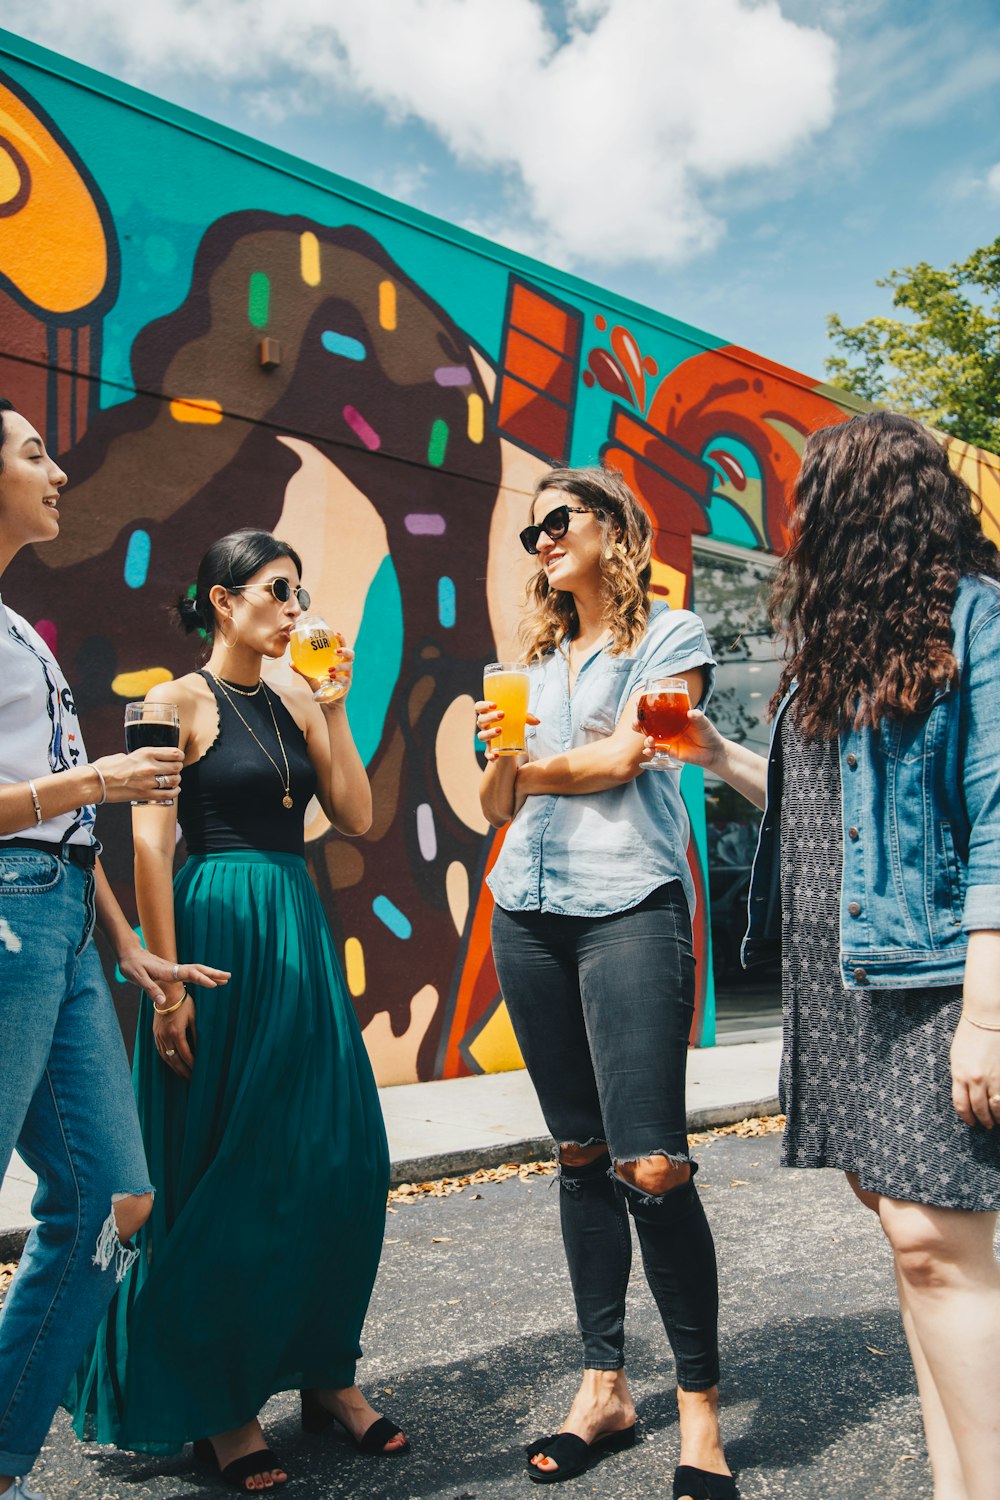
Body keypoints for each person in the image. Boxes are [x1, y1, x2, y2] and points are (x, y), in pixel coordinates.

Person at [654, 412, 1000, 1499]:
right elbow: (820, 815)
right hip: (839, 983)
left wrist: (988, 1016)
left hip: (933, 980)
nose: (797, 519)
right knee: (909, 1239)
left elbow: (996, 818)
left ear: (861, 505)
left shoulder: (974, 619)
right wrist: (722, 757)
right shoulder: (839, 646)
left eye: (813, 499)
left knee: (934, 1239)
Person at [67, 529, 407, 1490]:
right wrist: (167, 979)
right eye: (276, 590)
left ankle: (327, 1376)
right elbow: (146, 847)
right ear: (223, 601)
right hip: (217, 933)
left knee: (340, 1159)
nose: (295, 608)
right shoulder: (169, 701)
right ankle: (218, 1403)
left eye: (299, 591)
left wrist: (335, 710)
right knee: (226, 1170)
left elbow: (354, 815)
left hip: (296, 924)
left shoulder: (300, 695)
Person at [477, 467, 735, 1499]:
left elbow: (639, 753)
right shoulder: (528, 661)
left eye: (558, 520)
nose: (540, 540)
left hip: (629, 902)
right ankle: (604, 1387)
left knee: (653, 1164)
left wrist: (533, 765)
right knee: (579, 1154)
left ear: (615, 529)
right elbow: (494, 796)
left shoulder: (670, 638)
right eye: (530, 530)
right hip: (524, 911)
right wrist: (517, 760)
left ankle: (699, 1412)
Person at [0, 398, 229, 1500]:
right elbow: (56, 803)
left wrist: (130, 946)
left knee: (113, 1203)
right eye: (34, 453)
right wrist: (88, 783)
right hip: (1, 908)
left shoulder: (16, 626)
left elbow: (67, 830)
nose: (58, 473)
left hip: (57, 917)